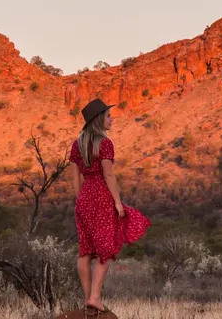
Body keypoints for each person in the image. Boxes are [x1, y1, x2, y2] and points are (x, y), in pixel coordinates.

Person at [69, 97, 151, 315]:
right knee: (105, 251)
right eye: (108, 116)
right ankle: (95, 297)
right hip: (102, 197)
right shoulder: (105, 143)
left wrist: (81, 202)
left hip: (84, 198)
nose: (112, 119)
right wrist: (117, 202)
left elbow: (76, 180)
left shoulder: (77, 145)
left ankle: (88, 299)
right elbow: (109, 174)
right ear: (98, 120)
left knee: (85, 251)